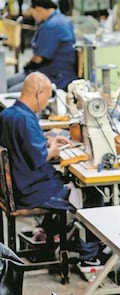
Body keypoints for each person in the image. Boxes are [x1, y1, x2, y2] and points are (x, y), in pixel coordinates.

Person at [0, 72, 103, 269]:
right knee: (92, 195)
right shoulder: (27, 120)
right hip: (32, 191)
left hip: (18, 185)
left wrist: (46, 140)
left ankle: (51, 235)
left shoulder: (9, 114)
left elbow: (21, 144)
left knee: (69, 182)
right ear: (39, 93)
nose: (47, 103)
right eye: (47, 97)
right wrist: (53, 149)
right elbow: (39, 157)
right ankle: (89, 256)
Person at [7, 0, 77, 92]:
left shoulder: (51, 26)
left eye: (33, 13)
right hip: (54, 71)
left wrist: (28, 66)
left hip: (55, 76)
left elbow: (38, 59)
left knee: (10, 90)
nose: (33, 16)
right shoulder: (62, 19)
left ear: (38, 9)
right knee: (6, 83)